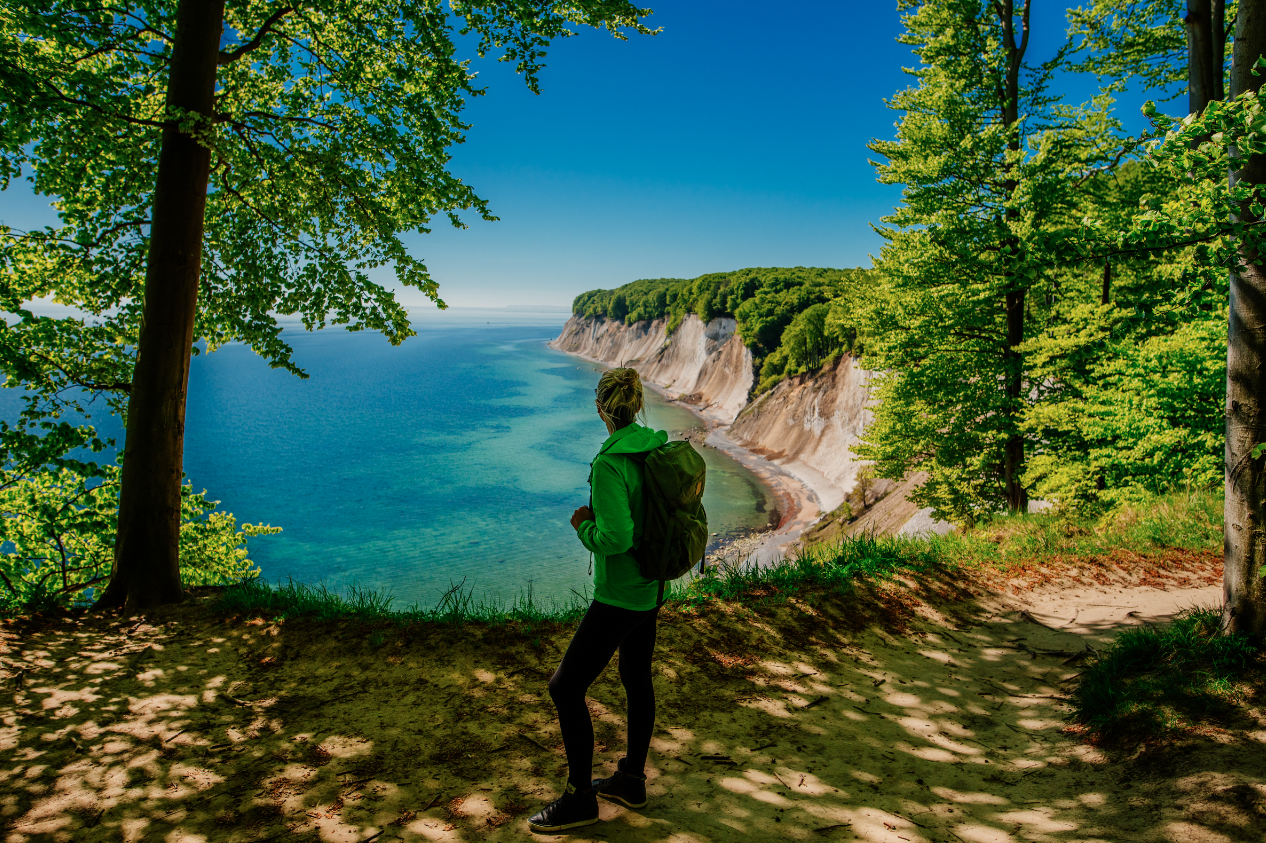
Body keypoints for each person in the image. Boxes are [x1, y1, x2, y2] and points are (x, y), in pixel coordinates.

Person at [527, 367, 667, 834]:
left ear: (600, 407)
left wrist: (582, 527)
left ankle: (580, 798)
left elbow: (616, 537)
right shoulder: (654, 447)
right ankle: (631, 780)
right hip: (651, 586)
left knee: (564, 688)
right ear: (639, 403)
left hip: (621, 594)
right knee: (635, 677)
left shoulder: (610, 463)